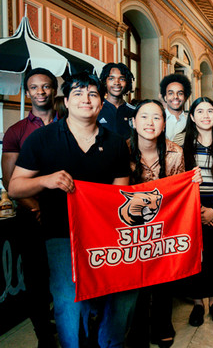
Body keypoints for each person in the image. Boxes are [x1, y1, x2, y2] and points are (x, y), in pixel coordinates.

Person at [8, 71, 137, 348]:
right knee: (69, 301)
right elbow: (15, 188)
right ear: (65, 101)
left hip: (104, 236)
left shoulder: (115, 143)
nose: (86, 100)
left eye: (92, 94)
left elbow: (121, 195)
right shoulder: (42, 138)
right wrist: (46, 180)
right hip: (60, 233)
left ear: (101, 102)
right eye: (78, 94)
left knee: (119, 296)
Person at [126, 100, 201, 348]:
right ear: (134, 122)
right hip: (132, 228)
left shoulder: (175, 152)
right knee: (135, 281)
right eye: (144, 117)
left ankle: (162, 323)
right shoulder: (121, 150)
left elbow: (179, 191)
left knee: (163, 278)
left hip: (164, 225)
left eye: (157, 117)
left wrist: (192, 182)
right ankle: (137, 327)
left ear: (164, 123)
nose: (150, 123)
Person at [1, 67, 58, 347]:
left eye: (45, 86)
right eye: (34, 87)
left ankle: (67, 324)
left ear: (55, 90)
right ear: (27, 92)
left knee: (66, 277)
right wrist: (33, 206)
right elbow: (9, 178)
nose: (40, 92)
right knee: (36, 280)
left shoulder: (70, 124)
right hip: (31, 215)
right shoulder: (16, 131)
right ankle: (44, 338)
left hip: (65, 215)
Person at [177, 97, 213, 327]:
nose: (205, 115)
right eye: (199, 111)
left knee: (212, 252)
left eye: (210, 111)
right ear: (192, 116)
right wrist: (197, 209)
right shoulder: (180, 141)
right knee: (193, 255)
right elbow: (177, 175)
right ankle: (198, 302)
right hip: (188, 204)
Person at [97, 62, 136, 138]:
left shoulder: (134, 112)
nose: (117, 83)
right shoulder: (96, 109)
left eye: (121, 79)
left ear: (127, 83)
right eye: (111, 78)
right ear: (105, 82)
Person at [160, 74, 192, 141]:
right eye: (171, 93)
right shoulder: (158, 118)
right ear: (165, 97)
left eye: (180, 93)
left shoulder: (191, 120)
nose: (175, 97)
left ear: (185, 97)